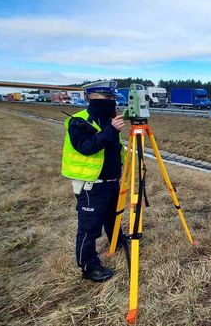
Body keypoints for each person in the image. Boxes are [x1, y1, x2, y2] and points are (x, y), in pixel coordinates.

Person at [62, 80, 125, 282]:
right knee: (89, 228)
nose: (110, 101)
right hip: (91, 185)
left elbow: (115, 149)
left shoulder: (109, 120)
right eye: (105, 97)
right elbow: (86, 147)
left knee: (113, 216)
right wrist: (111, 130)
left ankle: (117, 240)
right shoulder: (79, 121)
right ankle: (89, 266)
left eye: (112, 98)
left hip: (112, 181)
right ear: (90, 97)